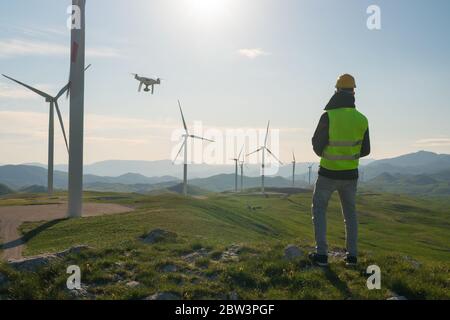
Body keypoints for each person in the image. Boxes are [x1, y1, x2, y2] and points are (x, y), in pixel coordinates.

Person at [309, 74, 371, 267]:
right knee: (350, 215)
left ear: (336, 90)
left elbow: (316, 144)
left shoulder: (328, 116)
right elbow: (366, 149)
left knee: (319, 210)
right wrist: (348, 157)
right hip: (351, 175)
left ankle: (321, 256)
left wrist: (329, 154)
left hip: (327, 173)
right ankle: (352, 257)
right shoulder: (362, 119)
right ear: (354, 92)